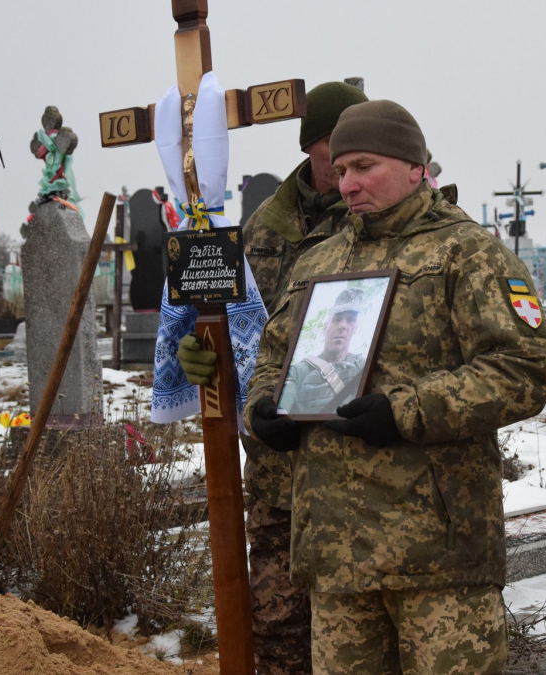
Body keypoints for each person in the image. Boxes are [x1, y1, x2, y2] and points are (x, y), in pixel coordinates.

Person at [242, 99, 546, 675]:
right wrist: (263, 410)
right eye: (340, 171)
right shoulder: (320, 261)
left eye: (364, 166)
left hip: (436, 558)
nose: (349, 184)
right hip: (337, 558)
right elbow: (273, 358)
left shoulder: (468, 253)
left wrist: (408, 411)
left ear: (415, 167)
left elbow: (523, 368)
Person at [177, 81, 367, 675]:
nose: (342, 164)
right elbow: (239, 324)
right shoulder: (263, 229)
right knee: (280, 630)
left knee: (358, 635)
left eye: (357, 152)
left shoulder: (380, 217)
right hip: (278, 467)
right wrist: (204, 353)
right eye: (332, 148)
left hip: (361, 465)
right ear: (310, 146)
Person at [276, 287, 366, 415]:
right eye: (337, 319)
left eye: (350, 320)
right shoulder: (299, 371)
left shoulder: (363, 366)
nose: (342, 326)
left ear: (355, 329)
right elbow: (282, 414)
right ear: (325, 327)